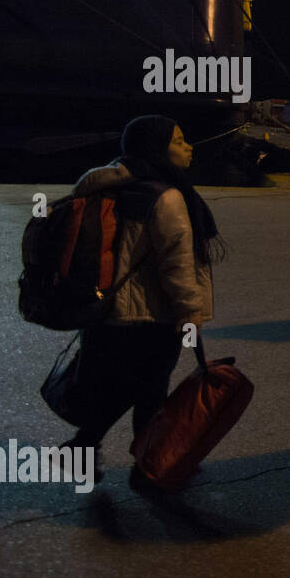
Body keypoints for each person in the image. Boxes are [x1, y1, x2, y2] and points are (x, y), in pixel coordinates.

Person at [62, 115, 221, 492]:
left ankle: (86, 449)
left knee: (126, 387)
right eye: (180, 141)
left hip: (103, 311)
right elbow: (177, 263)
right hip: (150, 314)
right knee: (149, 390)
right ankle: (149, 467)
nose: (189, 147)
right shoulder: (166, 197)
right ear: (157, 148)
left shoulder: (99, 185)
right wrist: (190, 313)